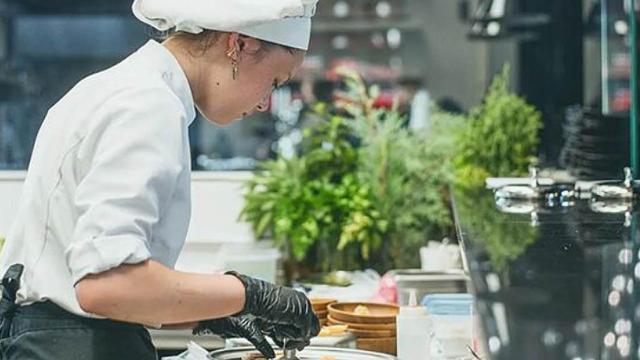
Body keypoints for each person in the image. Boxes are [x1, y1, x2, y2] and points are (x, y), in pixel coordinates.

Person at [0, 0, 320, 359]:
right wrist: (249, 294)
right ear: (239, 45)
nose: (265, 103)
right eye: (274, 82)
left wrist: (212, 311)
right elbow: (106, 285)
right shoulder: (149, 105)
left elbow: (88, 274)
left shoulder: (112, 87)